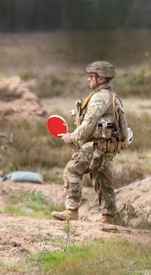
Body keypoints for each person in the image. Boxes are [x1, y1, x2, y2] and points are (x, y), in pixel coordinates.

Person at [51, 60, 129, 226]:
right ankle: (108, 218)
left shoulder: (99, 98)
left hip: (96, 147)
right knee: (104, 181)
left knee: (72, 170)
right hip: (108, 149)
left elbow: (89, 125)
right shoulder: (111, 96)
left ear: (101, 78)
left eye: (92, 76)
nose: (88, 79)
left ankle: (71, 211)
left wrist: (71, 137)